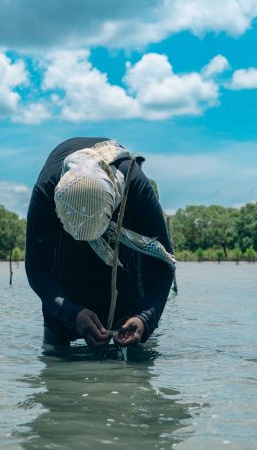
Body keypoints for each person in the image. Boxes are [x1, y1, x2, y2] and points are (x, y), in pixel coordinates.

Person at [25, 137, 176, 354]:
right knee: (56, 341)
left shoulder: (134, 184)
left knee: (130, 304)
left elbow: (164, 264)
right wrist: (70, 313)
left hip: (121, 224)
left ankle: (129, 332)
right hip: (64, 245)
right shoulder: (47, 190)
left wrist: (145, 318)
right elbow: (37, 269)